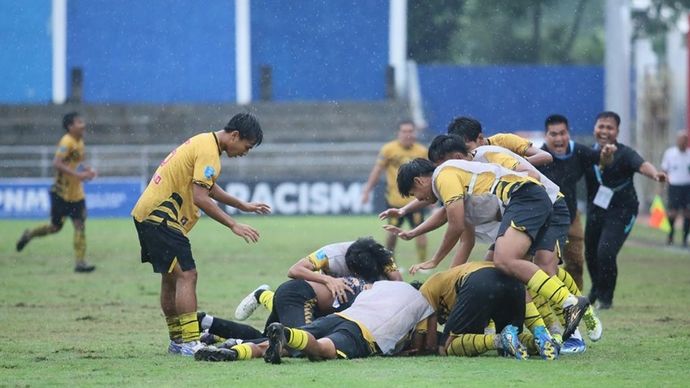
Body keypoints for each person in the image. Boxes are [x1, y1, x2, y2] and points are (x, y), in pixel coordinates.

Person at [396, 158, 589, 341]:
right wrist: (413, 233)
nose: (420, 199)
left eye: (414, 194)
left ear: (418, 180)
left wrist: (434, 260)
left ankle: (569, 303)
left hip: (523, 197)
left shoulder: (443, 177)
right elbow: (453, 223)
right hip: (531, 199)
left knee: (504, 260)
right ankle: (546, 332)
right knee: (511, 272)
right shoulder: (457, 180)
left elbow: (456, 225)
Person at [131, 113, 271, 356]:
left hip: (148, 214)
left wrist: (242, 205)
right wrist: (233, 224)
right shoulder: (209, 152)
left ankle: (178, 342)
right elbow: (200, 197)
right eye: (246, 147)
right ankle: (189, 342)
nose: (245, 152)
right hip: (162, 218)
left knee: (172, 278)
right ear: (235, 135)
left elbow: (208, 186)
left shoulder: (204, 142)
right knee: (188, 275)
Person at [194, 281, 434, 363]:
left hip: (342, 316)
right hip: (365, 334)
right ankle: (286, 335)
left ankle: (236, 352)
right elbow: (426, 343)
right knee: (321, 349)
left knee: (282, 346)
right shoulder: (424, 302)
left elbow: (365, 293)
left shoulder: (382, 285)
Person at [584, 111, 667, 309]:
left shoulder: (625, 153)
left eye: (609, 127)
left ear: (617, 131)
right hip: (596, 209)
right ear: (595, 128)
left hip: (622, 210)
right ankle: (596, 288)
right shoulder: (587, 153)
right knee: (591, 254)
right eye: (601, 126)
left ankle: (605, 299)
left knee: (606, 252)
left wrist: (655, 175)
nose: (604, 131)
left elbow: (642, 165)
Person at [233, 237, 400, 323]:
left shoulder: (382, 257)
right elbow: (294, 270)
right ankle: (264, 295)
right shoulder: (330, 255)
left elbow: (399, 286)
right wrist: (328, 280)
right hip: (326, 296)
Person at [537, 114, 615, 291]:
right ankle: (547, 301)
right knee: (546, 266)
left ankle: (575, 304)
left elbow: (603, 160)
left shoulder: (578, 151)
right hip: (545, 220)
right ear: (546, 136)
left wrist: (607, 155)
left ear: (568, 134)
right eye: (553, 134)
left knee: (576, 264)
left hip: (572, 217)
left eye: (562, 133)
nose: (558, 139)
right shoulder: (539, 158)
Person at [417, 261, 555, 360]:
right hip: (513, 281)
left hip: (479, 280)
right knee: (511, 342)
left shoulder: (424, 291)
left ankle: (499, 340)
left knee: (447, 346)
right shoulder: (448, 282)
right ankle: (539, 342)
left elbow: (427, 343)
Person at [16, 112, 98, 273]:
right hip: (61, 193)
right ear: (70, 127)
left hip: (77, 194)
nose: (83, 125)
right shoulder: (66, 142)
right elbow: (57, 163)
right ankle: (29, 234)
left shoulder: (79, 141)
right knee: (55, 227)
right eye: (79, 122)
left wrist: (88, 170)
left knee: (80, 225)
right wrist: (79, 175)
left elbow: (78, 161)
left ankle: (80, 263)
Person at [360, 120, 429, 263]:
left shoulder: (422, 151)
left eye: (410, 131)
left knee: (421, 232)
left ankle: (423, 263)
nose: (407, 134)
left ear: (414, 133)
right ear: (398, 133)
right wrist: (367, 190)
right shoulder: (388, 149)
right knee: (392, 234)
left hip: (416, 201)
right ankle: (390, 261)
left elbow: (428, 177)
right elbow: (377, 171)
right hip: (394, 201)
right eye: (404, 131)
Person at [446, 116, 553, 166]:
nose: (467, 154)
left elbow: (546, 157)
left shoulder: (504, 140)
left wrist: (511, 167)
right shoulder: (464, 158)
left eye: (468, 148)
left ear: (480, 138)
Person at [661, 131, 690, 246]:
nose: (682, 142)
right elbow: (664, 170)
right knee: (672, 212)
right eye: (680, 140)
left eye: (684, 140)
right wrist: (662, 185)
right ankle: (671, 235)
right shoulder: (670, 153)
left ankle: (684, 238)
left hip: (687, 187)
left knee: (687, 213)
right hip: (674, 186)